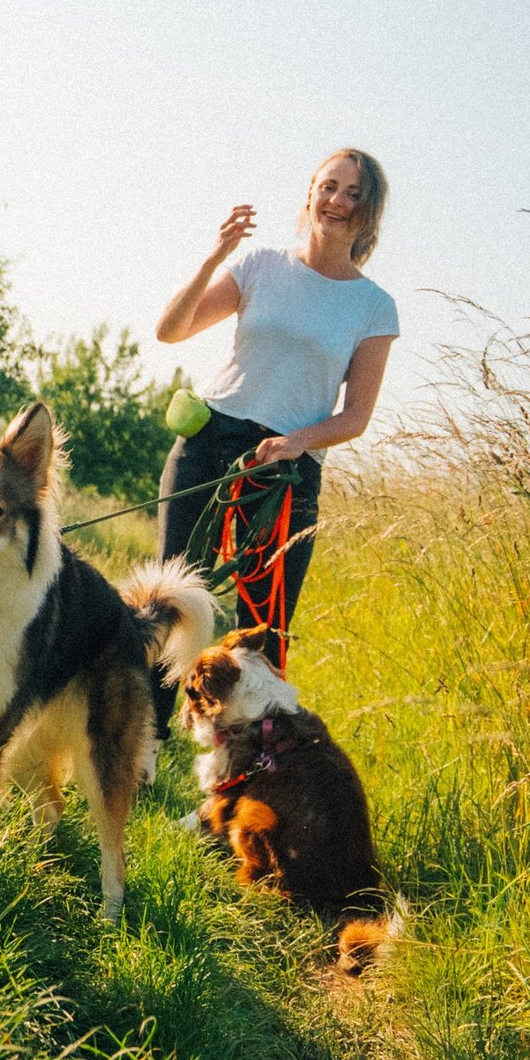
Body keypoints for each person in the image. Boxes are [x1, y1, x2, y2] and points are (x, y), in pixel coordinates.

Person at [153, 149, 398, 693]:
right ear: (310, 192)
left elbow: (356, 415)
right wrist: (215, 256)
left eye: (353, 193)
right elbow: (171, 331)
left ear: (369, 211)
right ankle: (142, 750)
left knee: (263, 626)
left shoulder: (374, 306)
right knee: (168, 599)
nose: (336, 201)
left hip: (287, 465)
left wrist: (296, 443)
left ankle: (248, 760)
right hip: (210, 440)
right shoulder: (260, 264)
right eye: (328, 186)